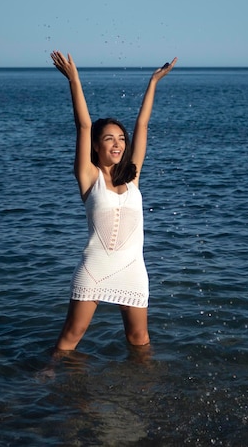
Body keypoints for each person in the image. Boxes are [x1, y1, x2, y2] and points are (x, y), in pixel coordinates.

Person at [50, 50, 177, 352]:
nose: (118, 144)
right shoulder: (88, 177)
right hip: (96, 265)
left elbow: (142, 125)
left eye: (121, 138)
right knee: (71, 338)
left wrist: (153, 83)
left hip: (132, 268)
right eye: (109, 138)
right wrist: (74, 79)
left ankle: (142, 390)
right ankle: (47, 378)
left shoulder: (132, 178)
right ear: (96, 145)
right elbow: (83, 125)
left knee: (139, 341)